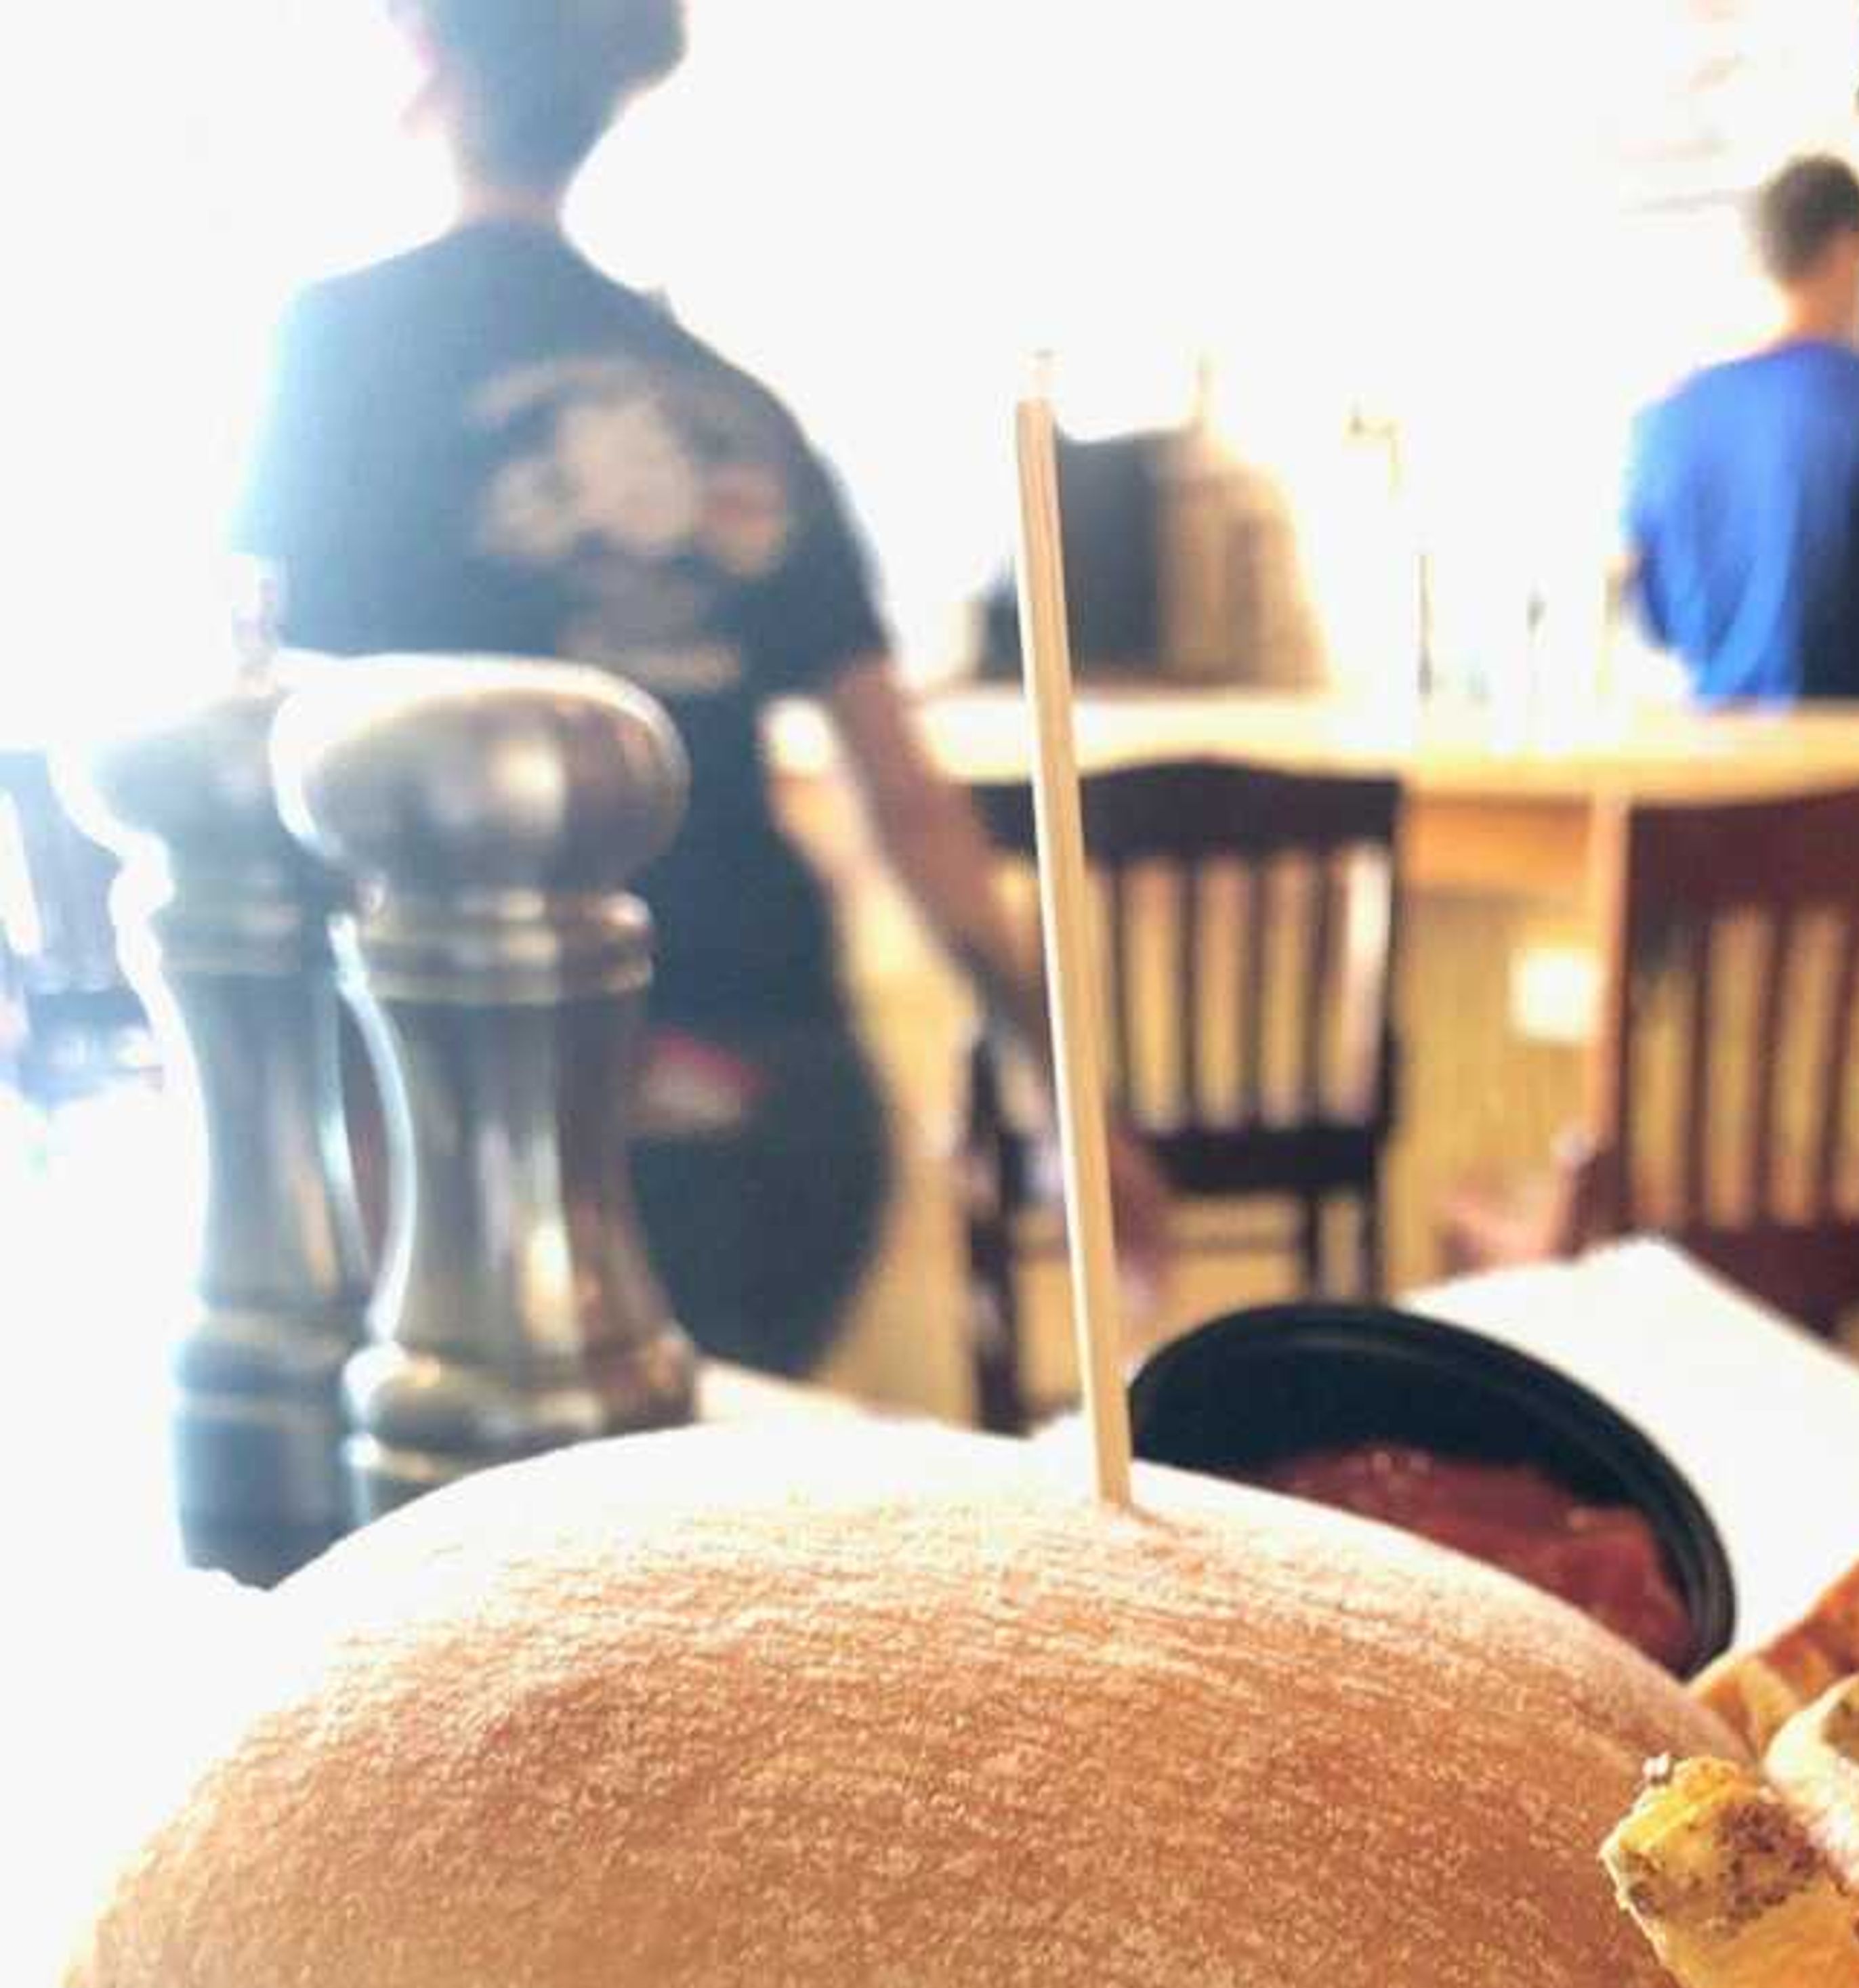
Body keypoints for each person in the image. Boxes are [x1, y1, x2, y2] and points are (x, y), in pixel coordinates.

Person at [234, 0, 1165, 1379]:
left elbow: (260, 718)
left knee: (490, 1548)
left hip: (470, 1090)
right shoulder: (725, 399)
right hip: (774, 1087)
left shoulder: (336, 347)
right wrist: (1070, 1103)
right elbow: (905, 800)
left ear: (424, 57)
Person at [1621, 154, 1859, 709]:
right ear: (1851, 248)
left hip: (1712, 768)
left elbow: (1656, 621)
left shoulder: (1667, 418)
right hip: (1852, 769)